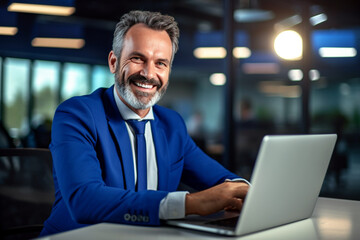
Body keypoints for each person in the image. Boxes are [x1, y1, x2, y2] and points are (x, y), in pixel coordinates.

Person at [40, 10, 249, 236]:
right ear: (113, 62)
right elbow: (84, 200)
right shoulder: (77, 114)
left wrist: (247, 191)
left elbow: (220, 180)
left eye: (161, 63)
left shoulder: (172, 125)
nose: (149, 74)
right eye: (138, 58)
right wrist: (191, 204)